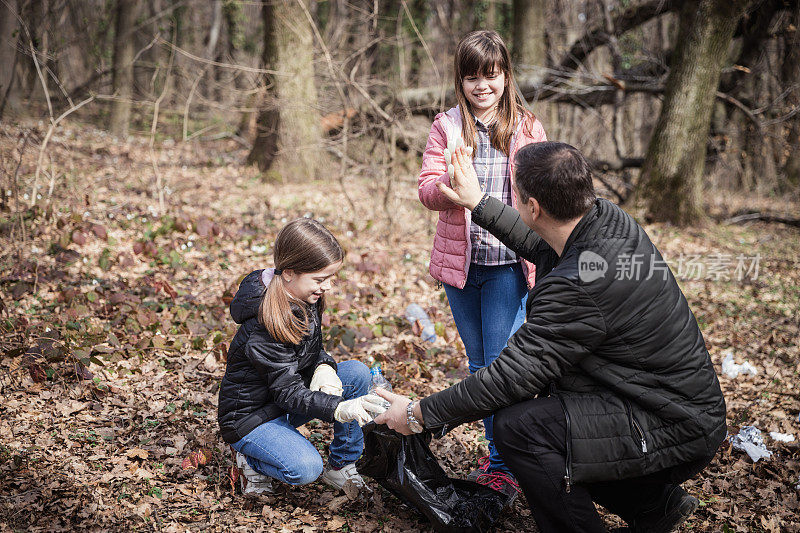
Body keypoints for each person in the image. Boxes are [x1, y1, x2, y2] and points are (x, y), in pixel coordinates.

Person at [376, 141, 727, 532]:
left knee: (522, 430)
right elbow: (541, 247)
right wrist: (479, 202)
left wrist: (417, 415)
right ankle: (652, 507)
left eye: (516, 194)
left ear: (533, 207)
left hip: (672, 423)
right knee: (550, 418)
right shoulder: (605, 221)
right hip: (666, 403)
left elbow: (509, 377)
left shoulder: (580, 286)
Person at [417, 29, 547, 496]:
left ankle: (504, 463)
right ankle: (499, 449)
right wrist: (449, 182)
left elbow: (542, 190)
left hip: (509, 267)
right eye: (472, 77)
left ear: (506, 77)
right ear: (461, 81)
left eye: (490, 76)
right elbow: (426, 189)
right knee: (477, 366)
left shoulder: (527, 127)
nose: (481, 86)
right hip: (461, 267)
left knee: (498, 365)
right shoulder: (447, 126)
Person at [217, 218, 386, 496]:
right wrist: (337, 409)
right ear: (289, 273)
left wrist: (323, 366)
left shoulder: (304, 296)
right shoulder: (265, 322)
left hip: (282, 400)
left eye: (331, 278)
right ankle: (251, 459)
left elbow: (308, 351)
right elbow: (287, 392)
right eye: (320, 279)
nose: (328, 287)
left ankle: (342, 464)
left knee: (355, 373)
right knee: (305, 469)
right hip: (252, 417)